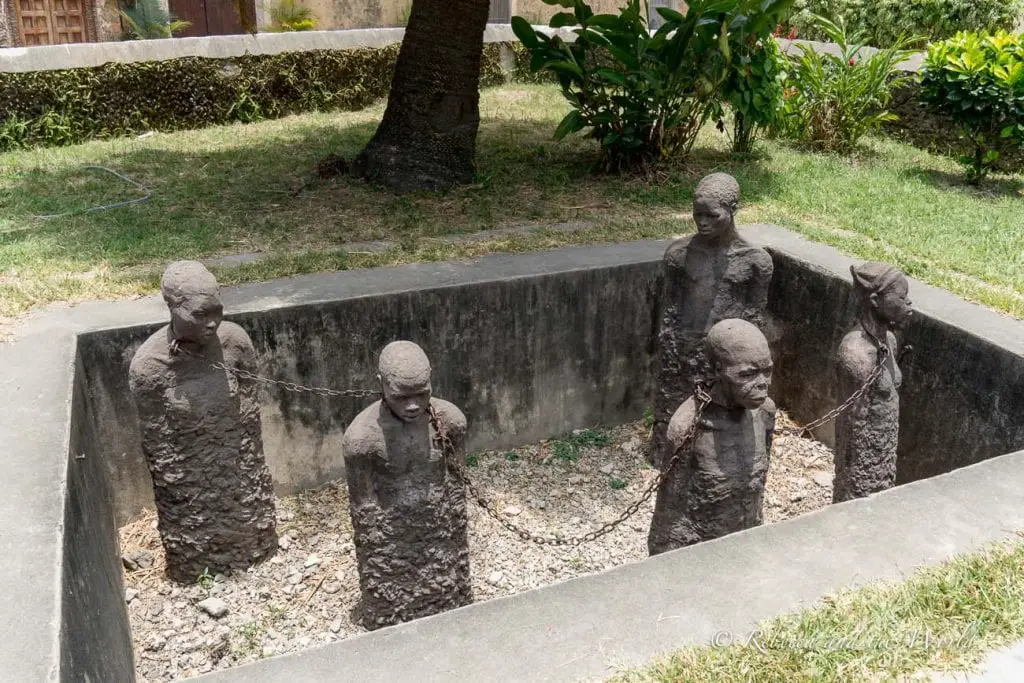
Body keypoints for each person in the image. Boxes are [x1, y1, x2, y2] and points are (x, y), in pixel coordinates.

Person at [128, 261, 277, 583]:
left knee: (250, 525)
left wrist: (244, 472)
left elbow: (250, 411)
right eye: (199, 314)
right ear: (172, 307)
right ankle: (199, 569)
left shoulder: (234, 342)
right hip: (190, 486)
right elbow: (159, 450)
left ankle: (254, 547)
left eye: (217, 312)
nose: (212, 324)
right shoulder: (150, 367)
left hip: (238, 472)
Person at [343, 341, 472, 629]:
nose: (413, 406)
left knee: (449, 592)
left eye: (421, 395)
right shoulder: (362, 439)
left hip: (439, 537)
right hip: (393, 546)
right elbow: (364, 508)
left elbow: (457, 486)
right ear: (382, 385)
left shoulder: (450, 422)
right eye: (402, 397)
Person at [651, 173, 773, 468]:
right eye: (697, 215)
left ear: (733, 210)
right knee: (675, 417)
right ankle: (667, 459)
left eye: (712, 215)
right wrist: (671, 353)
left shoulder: (755, 261)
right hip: (684, 349)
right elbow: (670, 311)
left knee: (728, 419)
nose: (702, 222)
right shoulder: (679, 255)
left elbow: (755, 318)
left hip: (730, 358)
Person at [648, 319, 775, 555]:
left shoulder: (765, 412)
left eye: (767, 372)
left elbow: (757, 491)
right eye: (747, 375)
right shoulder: (687, 426)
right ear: (718, 370)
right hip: (700, 550)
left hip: (746, 542)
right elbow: (668, 514)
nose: (762, 385)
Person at [833, 262, 913, 503]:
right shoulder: (855, 354)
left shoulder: (889, 340)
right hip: (862, 460)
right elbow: (852, 427)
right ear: (876, 301)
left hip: (886, 451)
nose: (908, 304)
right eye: (901, 297)